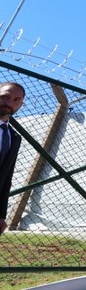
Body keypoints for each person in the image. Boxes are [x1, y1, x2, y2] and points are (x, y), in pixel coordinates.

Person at [0, 82, 25, 237]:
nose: (10, 103)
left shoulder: (14, 137)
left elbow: (5, 179)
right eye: (5, 96)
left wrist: (1, 215)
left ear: (21, 105)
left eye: (16, 100)